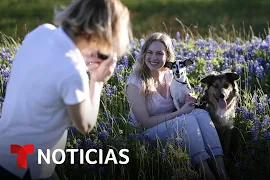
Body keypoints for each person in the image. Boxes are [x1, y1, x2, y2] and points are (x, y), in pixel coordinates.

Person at [0, 0, 132, 179]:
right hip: (27, 168)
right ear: (100, 34)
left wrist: (83, 63)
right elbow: (85, 124)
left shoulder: (41, 33)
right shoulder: (72, 72)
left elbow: (50, 75)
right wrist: (97, 81)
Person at [125, 32, 230, 180]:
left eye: (159, 53)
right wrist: (180, 112)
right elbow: (145, 122)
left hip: (172, 124)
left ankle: (222, 173)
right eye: (150, 52)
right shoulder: (135, 82)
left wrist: (189, 99)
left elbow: (185, 95)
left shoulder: (171, 75)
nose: (153, 58)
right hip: (146, 136)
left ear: (167, 57)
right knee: (188, 120)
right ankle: (207, 174)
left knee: (201, 114)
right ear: (144, 54)